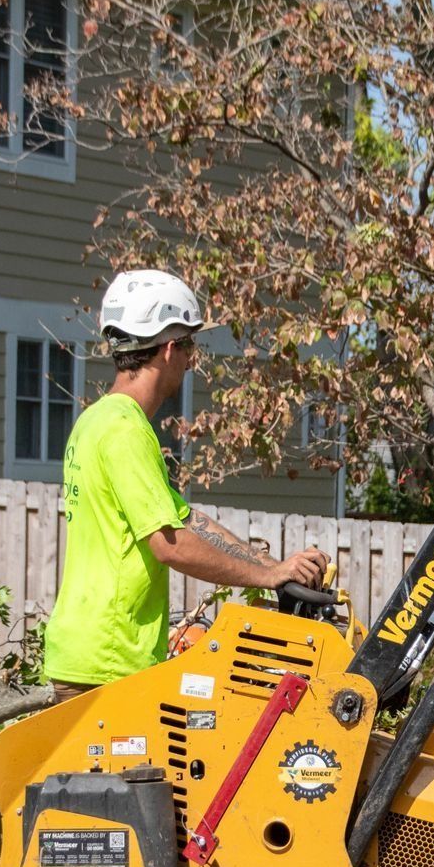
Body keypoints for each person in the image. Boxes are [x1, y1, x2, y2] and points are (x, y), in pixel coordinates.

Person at [44, 269, 328, 699]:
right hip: (110, 661)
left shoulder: (95, 420)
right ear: (170, 348)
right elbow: (170, 543)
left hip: (89, 650)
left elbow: (186, 519)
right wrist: (265, 579)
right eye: (190, 345)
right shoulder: (126, 430)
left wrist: (275, 568)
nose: (192, 359)